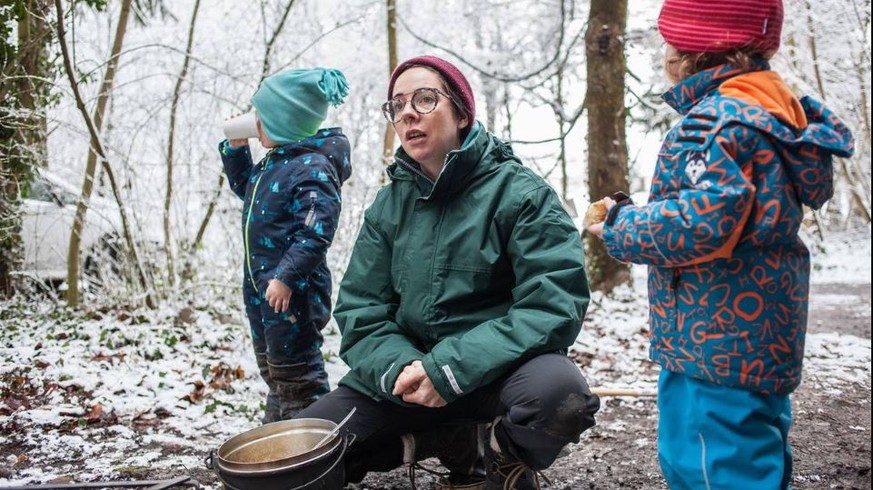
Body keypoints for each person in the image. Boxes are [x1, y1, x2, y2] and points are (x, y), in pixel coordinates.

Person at [296, 55, 600, 489]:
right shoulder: (387, 207)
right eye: (397, 105)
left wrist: (449, 370)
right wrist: (400, 368)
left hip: (497, 376)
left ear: (460, 113)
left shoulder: (523, 195)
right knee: (296, 458)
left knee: (561, 397)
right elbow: (360, 311)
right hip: (409, 378)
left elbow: (554, 305)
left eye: (424, 99)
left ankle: (504, 452)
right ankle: (450, 439)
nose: (407, 113)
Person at [587, 1, 855, 488]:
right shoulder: (768, 111)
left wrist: (622, 225)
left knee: (711, 467)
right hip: (744, 339)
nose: (662, 52)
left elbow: (706, 221)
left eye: (669, 41)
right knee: (742, 458)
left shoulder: (715, 122)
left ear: (695, 52)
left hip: (715, 340)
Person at [219, 67, 352, 423]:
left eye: (259, 116)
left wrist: (286, 277)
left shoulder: (313, 167)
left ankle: (313, 445)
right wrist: (236, 151)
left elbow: (315, 231)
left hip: (292, 294)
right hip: (264, 290)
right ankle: (278, 432)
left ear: (283, 121)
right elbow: (246, 190)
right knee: (274, 370)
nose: (254, 122)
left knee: (298, 375)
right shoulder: (274, 163)